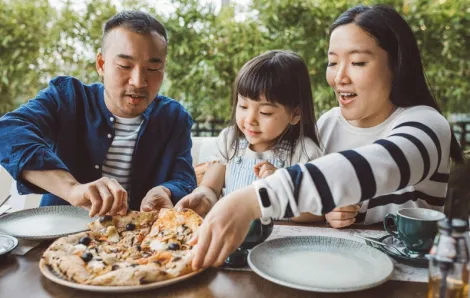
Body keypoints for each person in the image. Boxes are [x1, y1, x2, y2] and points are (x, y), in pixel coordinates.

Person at [188, 4, 463, 269]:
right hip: (333, 268)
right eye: (332, 62)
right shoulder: (328, 124)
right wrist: (328, 208)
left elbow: (378, 165)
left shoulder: (428, 123)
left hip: (412, 278)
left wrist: (253, 199)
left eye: (357, 62)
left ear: (398, 65)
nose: (339, 77)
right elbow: (319, 189)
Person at [0, 11, 196, 217]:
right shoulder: (67, 98)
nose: (138, 82)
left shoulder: (174, 117)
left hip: (138, 241)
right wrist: (72, 189)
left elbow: (184, 179)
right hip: (58, 236)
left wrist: (165, 190)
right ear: (101, 64)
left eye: (153, 68)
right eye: (125, 66)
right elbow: (7, 131)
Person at [176, 50, 324, 222]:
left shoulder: (304, 152)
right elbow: (210, 188)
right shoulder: (230, 141)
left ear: (295, 114)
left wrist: (282, 187)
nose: (250, 119)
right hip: (235, 240)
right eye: (243, 106)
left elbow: (317, 212)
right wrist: (202, 198)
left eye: (265, 112)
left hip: (284, 243)